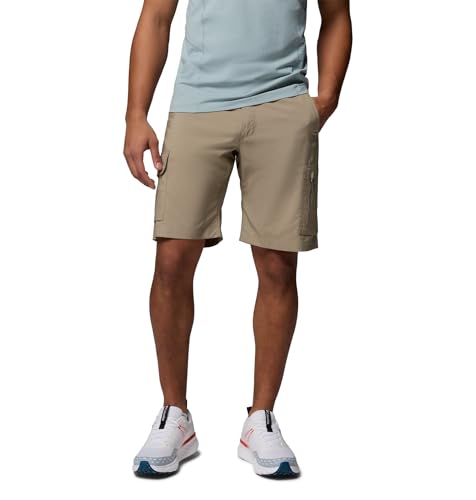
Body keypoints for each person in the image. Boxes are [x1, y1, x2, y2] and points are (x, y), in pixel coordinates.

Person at [124, 0, 352, 478]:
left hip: (281, 105)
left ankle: (261, 418)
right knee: (171, 261)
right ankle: (175, 414)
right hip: (196, 105)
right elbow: (156, 17)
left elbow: (336, 15)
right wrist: (135, 114)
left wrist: (327, 98)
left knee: (277, 266)